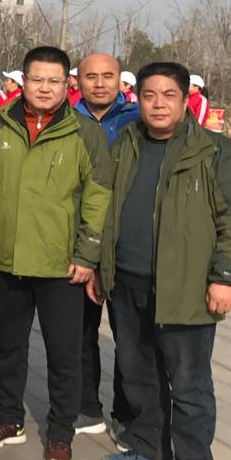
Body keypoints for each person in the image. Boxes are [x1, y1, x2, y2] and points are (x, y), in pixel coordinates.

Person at [97, 62, 231, 460]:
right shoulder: (126, 144)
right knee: (138, 371)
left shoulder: (216, 153)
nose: (158, 104)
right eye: (149, 95)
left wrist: (227, 277)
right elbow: (103, 205)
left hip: (186, 286)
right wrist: (98, 265)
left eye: (168, 95)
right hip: (128, 280)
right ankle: (149, 447)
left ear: (186, 100)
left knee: (188, 383)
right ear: (137, 99)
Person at [0, 46, 111, 460]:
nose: (44, 88)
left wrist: (87, 254)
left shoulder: (84, 133)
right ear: (23, 81)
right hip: (8, 259)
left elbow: (98, 198)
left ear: (67, 84)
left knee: (64, 353)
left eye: (53, 81)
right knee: (7, 347)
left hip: (60, 264)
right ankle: (8, 419)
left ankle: (61, 430)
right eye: (36, 80)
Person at [72, 51, 142, 435]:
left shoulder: (138, 120)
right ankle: (86, 407)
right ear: (78, 81)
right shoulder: (67, 121)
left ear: (120, 79)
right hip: (80, 241)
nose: (99, 83)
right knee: (80, 333)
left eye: (107, 75)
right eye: (91, 76)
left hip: (126, 244)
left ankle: (128, 414)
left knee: (130, 338)